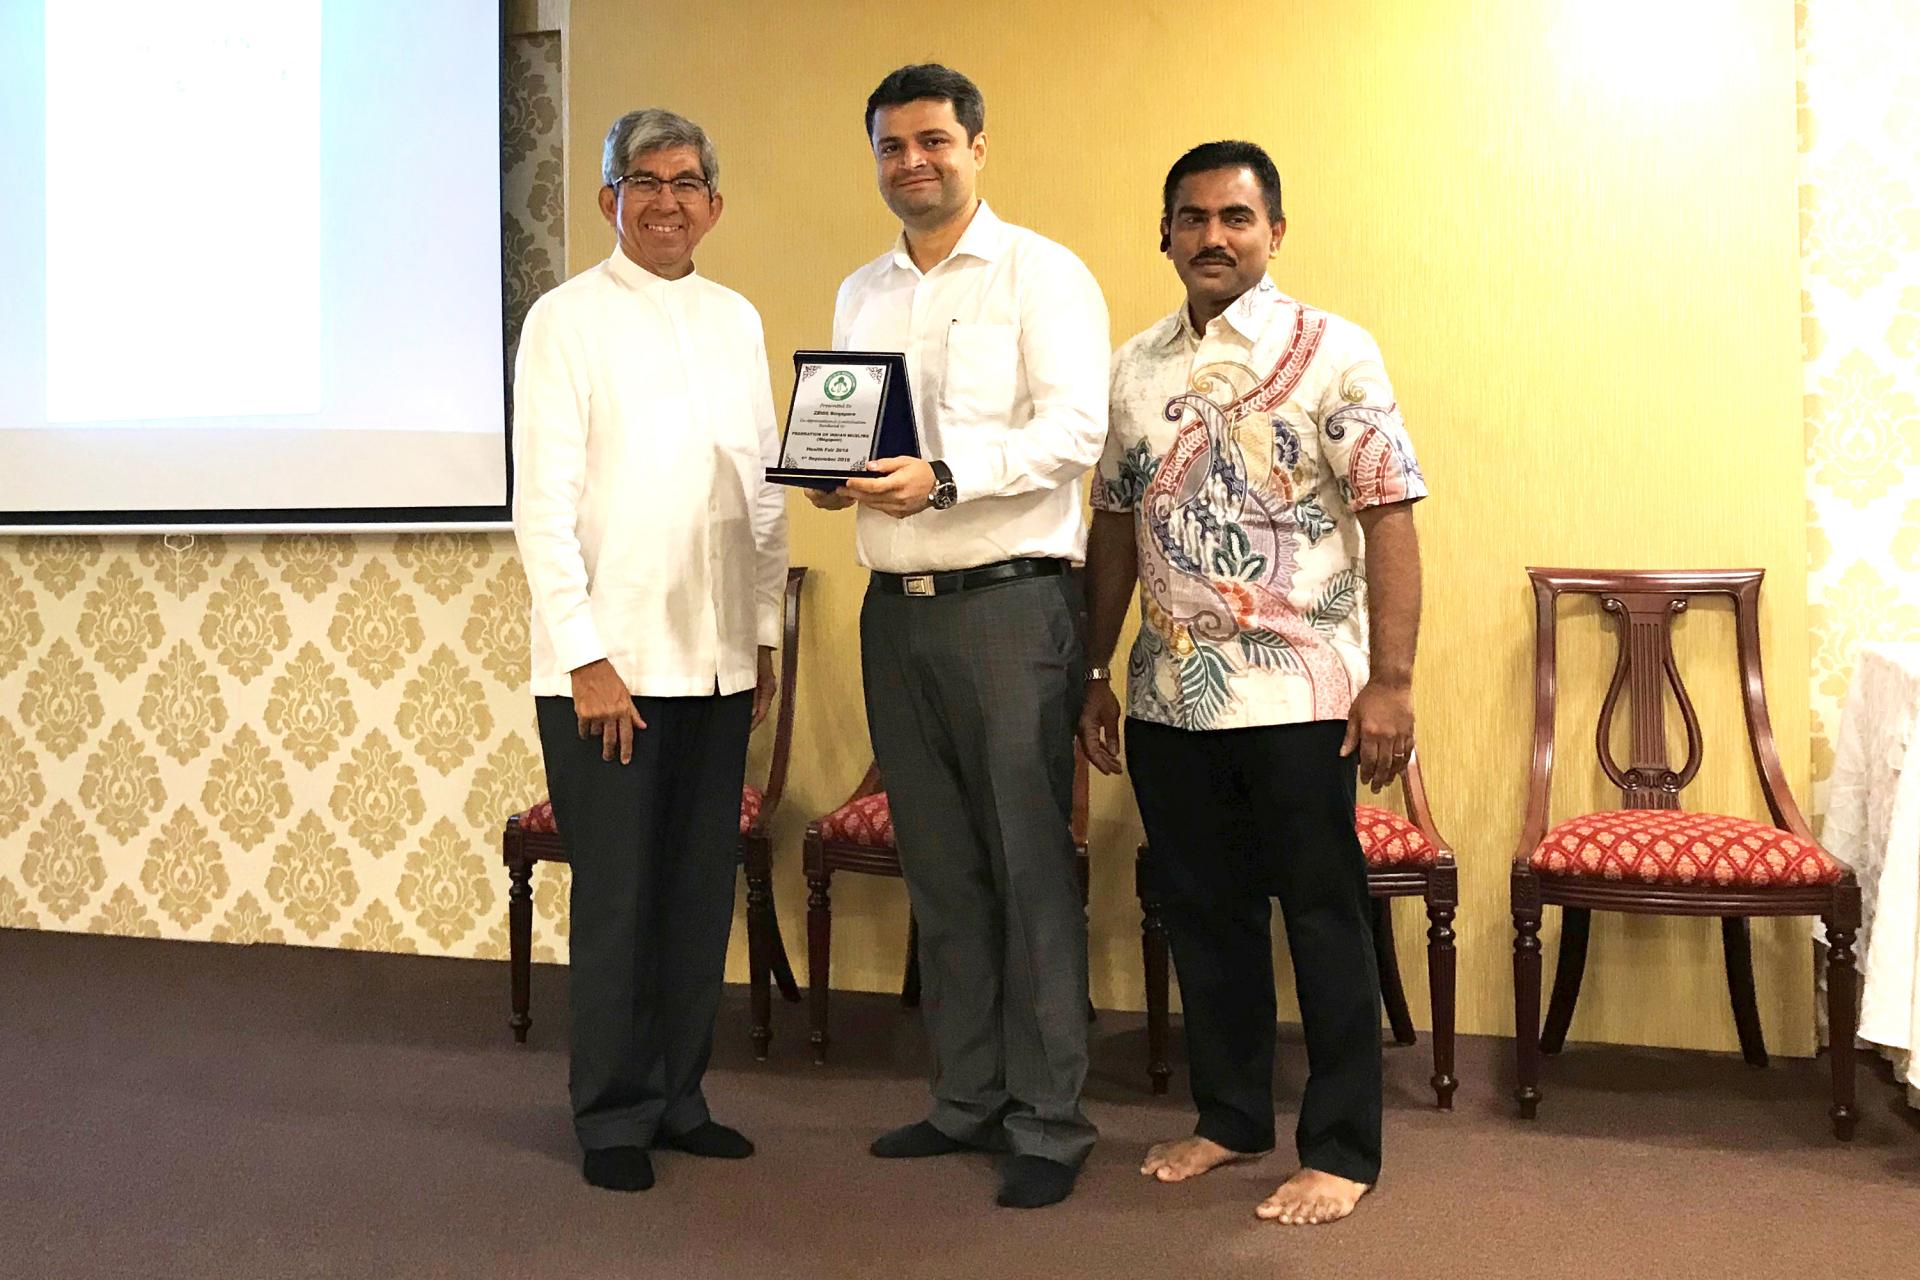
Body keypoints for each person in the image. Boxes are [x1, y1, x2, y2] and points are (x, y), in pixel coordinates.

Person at [1078, 140, 1427, 1227]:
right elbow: (1115, 530)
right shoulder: (1133, 367)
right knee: (1203, 913)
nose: (1213, 236)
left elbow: (1390, 514)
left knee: (1321, 917)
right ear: (1166, 234)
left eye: (1236, 216)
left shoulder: (1334, 350)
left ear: (1275, 230)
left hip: (1304, 693)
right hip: (1171, 698)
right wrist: (1096, 666)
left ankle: (1341, 1148)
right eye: (1192, 218)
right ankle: (1230, 1116)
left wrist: (1394, 681)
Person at [806, 63, 1110, 1209]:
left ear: (978, 146)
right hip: (898, 618)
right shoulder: (862, 292)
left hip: (1012, 610)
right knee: (943, 870)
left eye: (933, 140)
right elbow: (857, 431)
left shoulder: (1046, 274)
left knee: (1030, 870)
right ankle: (966, 1097)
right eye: (891, 146)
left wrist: (941, 479)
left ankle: (1048, 1120)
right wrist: (841, 481)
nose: (913, 162)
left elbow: (1075, 429)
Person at [512, 108, 787, 1193]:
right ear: (608, 199)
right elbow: (541, 506)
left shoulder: (736, 318)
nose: (667, 199)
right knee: (620, 896)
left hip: (715, 661)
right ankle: (613, 1111)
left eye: (687, 181)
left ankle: (682, 1095)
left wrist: (760, 636)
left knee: (692, 892)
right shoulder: (564, 320)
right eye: (644, 179)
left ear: (714, 204)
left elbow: (762, 493)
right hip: (609, 672)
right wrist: (585, 654)